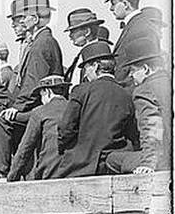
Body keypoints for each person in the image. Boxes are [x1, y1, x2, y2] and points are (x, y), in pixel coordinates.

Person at [0, 0, 64, 178]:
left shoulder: (40, 45)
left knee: (2, 121)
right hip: (42, 104)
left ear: (35, 19)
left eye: (25, 17)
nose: (21, 22)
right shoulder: (42, 41)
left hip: (40, 107)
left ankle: (2, 172)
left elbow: (32, 83)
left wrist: (16, 107)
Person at [54, 41, 138, 177]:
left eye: (86, 68)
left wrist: (65, 149)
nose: (86, 74)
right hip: (114, 165)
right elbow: (132, 133)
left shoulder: (81, 91)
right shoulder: (126, 94)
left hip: (81, 166)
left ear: (95, 66)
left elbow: (66, 129)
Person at [103, 48, 170, 174]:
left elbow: (152, 126)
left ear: (145, 69)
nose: (130, 75)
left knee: (112, 160)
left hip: (163, 159)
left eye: (133, 70)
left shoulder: (144, 90)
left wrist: (148, 163)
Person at [6, 75, 70, 181]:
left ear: (47, 91)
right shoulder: (75, 108)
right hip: (73, 171)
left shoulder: (40, 112)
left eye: (41, 95)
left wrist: (12, 177)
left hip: (49, 172)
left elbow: (25, 148)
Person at [107, 0, 165, 87]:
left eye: (113, 3)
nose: (111, 8)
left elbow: (145, 65)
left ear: (125, 4)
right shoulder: (137, 25)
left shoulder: (141, 27)